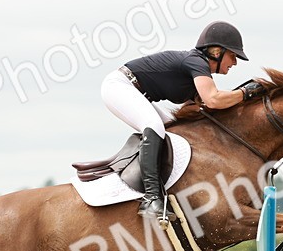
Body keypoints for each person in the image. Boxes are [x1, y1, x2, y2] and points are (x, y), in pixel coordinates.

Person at [101, 21, 264, 219]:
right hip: (119, 87)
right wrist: (245, 93)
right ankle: (151, 198)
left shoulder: (197, 72)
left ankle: (168, 190)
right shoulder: (196, 62)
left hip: (135, 92)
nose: (235, 62)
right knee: (154, 126)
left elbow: (201, 109)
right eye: (233, 55)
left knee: (174, 130)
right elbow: (213, 99)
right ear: (216, 51)